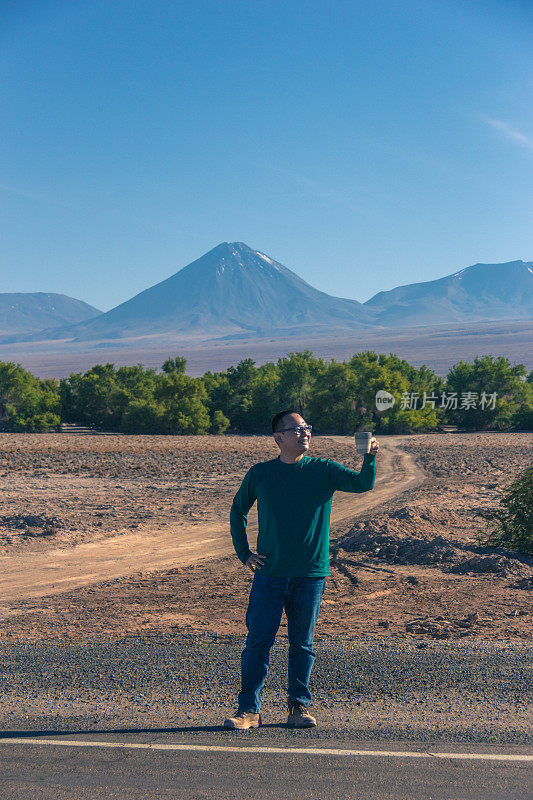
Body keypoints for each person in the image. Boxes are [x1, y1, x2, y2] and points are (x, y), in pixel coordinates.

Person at [223, 410, 379, 730]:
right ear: (278, 437)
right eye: (296, 429)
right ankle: (248, 710)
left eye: (307, 427)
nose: (304, 433)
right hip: (270, 573)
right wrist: (244, 554)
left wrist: (370, 458)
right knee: (258, 643)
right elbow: (238, 510)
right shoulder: (261, 473)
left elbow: (363, 484)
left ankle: (298, 707)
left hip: (310, 574)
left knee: (302, 644)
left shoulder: (323, 470)